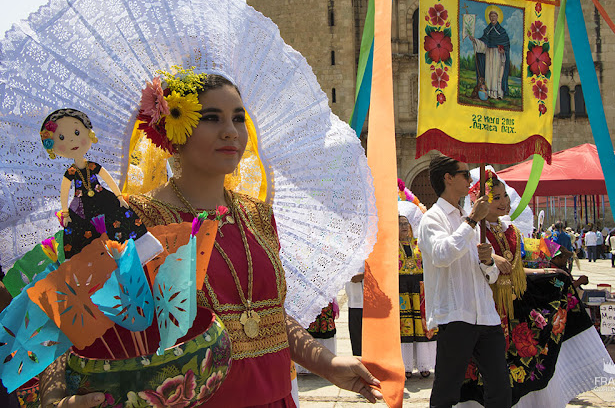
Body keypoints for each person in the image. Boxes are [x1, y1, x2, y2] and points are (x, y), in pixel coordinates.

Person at [40, 73, 383, 408]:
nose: (231, 132)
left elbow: (267, 314)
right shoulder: (132, 220)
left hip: (275, 395)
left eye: (238, 118)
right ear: (171, 129)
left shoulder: (257, 215)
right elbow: (67, 315)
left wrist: (328, 364)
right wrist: (54, 397)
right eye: (211, 118)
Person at [460, 177, 607, 406]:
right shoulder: (471, 233)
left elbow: (516, 271)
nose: (503, 202)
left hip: (513, 308)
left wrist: (545, 272)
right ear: (479, 202)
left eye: (505, 196)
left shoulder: (511, 231)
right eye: (495, 197)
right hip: (484, 308)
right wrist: (488, 257)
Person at [417, 155, 510, 408]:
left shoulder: (467, 219)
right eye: (465, 175)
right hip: (456, 315)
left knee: (501, 389)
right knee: (447, 390)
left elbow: (488, 274)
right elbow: (442, 255)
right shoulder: (433, 218)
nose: (470, 180)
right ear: (448, 178)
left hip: (486, 315)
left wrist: (488, 262)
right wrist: (471, 221)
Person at [39, 109, 157, 260]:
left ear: (88, 132)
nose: (71, 141)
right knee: (83, 237)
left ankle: (134, 253)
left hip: (103, 199)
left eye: (77, 133)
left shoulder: (93, 166)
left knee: (119, 222)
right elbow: (64, 192)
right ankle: (95, 266)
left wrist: (119, 197)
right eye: (61, 138)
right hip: (81, 208)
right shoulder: (70, 172)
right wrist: (66, 213)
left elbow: (108, 180)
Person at [398, 209, 436, 379]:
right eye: (400, 224)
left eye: (406, 223)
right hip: (401, 289)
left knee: (421, 325)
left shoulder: (418, 244)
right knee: (405, 327)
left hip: (419, 288)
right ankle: (405, 366)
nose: (404, 226)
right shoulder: (390, 245)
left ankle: (424, 365)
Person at [469, 7, 511, 100]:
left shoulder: (502, 31)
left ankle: (497, 93)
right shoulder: (487, 31)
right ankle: (489, 93)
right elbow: (483, 43)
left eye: (494, 16)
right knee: (488, 73)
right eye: (491, 16)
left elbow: (506, 44)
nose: (492, 18)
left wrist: (503, 50)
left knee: (496, 74)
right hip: (488, 54)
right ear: (489, 18)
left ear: (497, 17)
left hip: (497, 55)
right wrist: (475, 41)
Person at [345, 270, 364, 357]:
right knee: (356, 339)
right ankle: (359, 365)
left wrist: (365, 275)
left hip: (369, 304)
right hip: (354, 302)